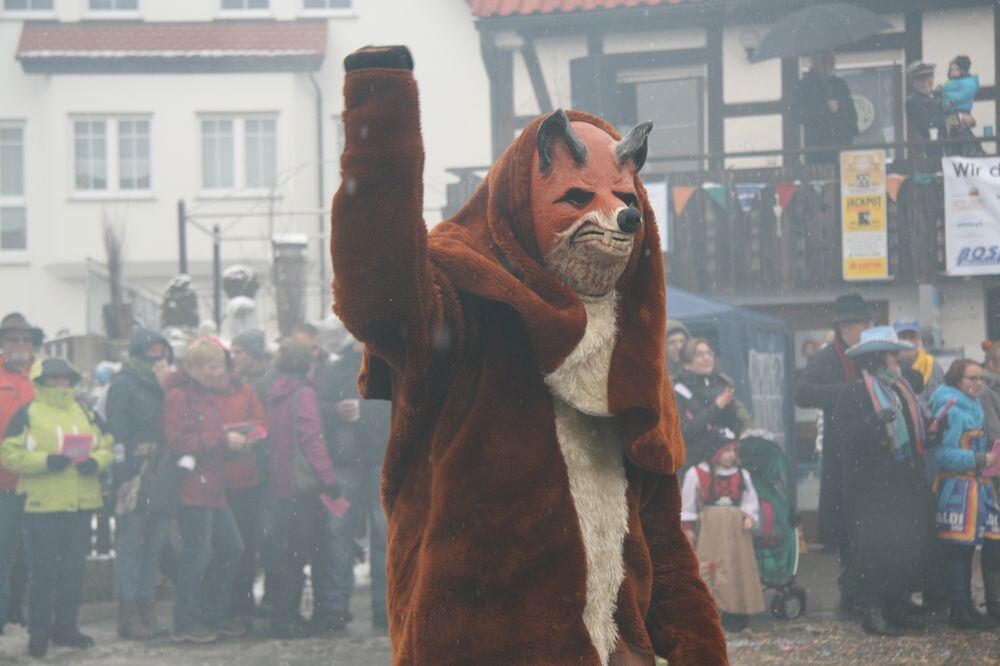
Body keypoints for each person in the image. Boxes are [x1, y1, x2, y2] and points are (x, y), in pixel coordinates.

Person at [330, 45, 726, 664]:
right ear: (523, 202)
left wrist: (699, 651)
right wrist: (381, 108)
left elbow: (662, 542)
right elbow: (375, 290)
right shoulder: (464, 307)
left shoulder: (630, 352)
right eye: (578, 196)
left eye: (624, 199)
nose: (615, 217)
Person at [1, 359, 113, 658]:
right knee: (43, 572)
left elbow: (107, 444)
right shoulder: (27, 413)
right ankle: (38, 632)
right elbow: (8, 454)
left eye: (65, 379)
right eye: (53, 379)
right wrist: (46, 461)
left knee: (73, 570)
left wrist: (96, 462)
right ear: (42, 381)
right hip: (42, 505)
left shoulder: (85, 411)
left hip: (80, 502)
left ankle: (66, 627)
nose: (60, 384)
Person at [827, 327, 935, 636]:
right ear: (875, 359)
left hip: (902, 483)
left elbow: (913, 429)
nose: (896, 358)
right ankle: (873, 611)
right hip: (871, 488)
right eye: (890, 354)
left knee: (902, 546)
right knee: (874, 550)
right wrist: (875, 422)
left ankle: (895, 604)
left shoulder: (902, 389)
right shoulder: (855, 391)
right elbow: (844, 435)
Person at [162, 337, 245, 644]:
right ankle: (187, 621)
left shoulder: (203, 393)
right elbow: (180, 441)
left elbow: (199, 436)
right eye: (212, 366)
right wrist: (224, 441)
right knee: (198, 555)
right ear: (194, 366)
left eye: (219, 366)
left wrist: (228, 443)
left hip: (212, 484)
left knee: (230, 549)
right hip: (193, 487)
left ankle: (210, 614)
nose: (218, 372)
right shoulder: (180, 396)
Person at [795, 294, 873, 613]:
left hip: (874, 453)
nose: (865, 328)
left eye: (868, 322)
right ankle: (852, 594)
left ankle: (877, 593)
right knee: (849, 528)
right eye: (858, 323)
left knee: (876, 526)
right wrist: (848, 393)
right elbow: (803, 393)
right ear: (842, 327)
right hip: (842, 455)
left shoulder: (873, 355)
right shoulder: (827, 358)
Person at [263, 340, 339, 638]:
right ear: (308, 364)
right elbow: (311, 439)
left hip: (281, 484)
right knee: (306, 551)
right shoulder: (304, 393)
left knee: (286, 553)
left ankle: (283, 615)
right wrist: (329, 479)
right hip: (304, 485)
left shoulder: (276, 393)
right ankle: (292, 619)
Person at [107, 329, 174, 640]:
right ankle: (129, 610)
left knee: (153, 544)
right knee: (132, 544)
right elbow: (116, 432)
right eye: (151, 350)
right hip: (134, 475)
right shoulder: (124, 384)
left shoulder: (168, 386)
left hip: (161, 473)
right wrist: (122, 475)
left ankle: (147, 606)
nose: (157, 356)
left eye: (162, 350)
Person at [323, 332, 391, 632]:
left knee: (382, 537)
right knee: (339, 536)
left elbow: (396, 406)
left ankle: (384, 607)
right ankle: (337, 607)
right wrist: (335, 411)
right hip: (346, 464)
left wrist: (363, 412)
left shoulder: (387, 365)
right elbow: (318, 407)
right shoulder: (336, 369)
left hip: (377, 460)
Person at [928, 359, 1000, 628]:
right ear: (957, 379)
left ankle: (966, 605)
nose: (978, 383)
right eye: (972, 378)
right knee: (957, 551)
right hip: (956, 486)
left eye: (981, 378)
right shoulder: (949, 408)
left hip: (975, 485)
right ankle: (959, 608)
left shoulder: (975, 404)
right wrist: (980, 458)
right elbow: (942, 454)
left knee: (967, 549)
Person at [680, 436, 764, 633]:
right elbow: (688, 504)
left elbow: (750, 500)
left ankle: (737, 612)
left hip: (737, 528)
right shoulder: (697, 473)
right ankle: (711, 612)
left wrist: (749, 516)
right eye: (727, 451)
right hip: (711, 527)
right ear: (715, 452)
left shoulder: (742, 474)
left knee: (738, 567)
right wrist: (688, 529)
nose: (731, 456)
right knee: (711, 565)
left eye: (734, 451)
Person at [219, 340, 267, 632]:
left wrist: (250, 435)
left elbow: (261, 421)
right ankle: (224, 606)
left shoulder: (245, 391)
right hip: (219, 480)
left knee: (246, 547)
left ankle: (242, 605)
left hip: (247, 478)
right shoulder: (206, 394)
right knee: (226, 548)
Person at [0, 313, 41, 634]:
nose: (20, 346)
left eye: (26, 340)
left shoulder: (43, 377)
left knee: (30, 556)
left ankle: (16, 612)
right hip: (3, 484)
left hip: (38, 483)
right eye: (13, 339)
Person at [673, 338, 750, 468]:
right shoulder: (677, 390)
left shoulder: (722, 385)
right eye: (699, 354)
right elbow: (683, 433)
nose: (706, 358)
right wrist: (716, 408)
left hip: (724, 463)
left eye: (709, 353)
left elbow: (735, 425)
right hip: (694, 464)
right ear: (686, 363)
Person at [790, 49, 859, 164]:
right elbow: (797, 116)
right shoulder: (804, 87)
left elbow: (851, 117)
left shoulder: (839, 85)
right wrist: (824, 109)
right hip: (814, 151)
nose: (831, 66)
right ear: (817, 62)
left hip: (840, 150)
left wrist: (839, 111)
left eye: (832, 63)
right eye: (828, 62)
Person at [905, 60, 947, 162]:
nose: (925, 83)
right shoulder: (913, 102)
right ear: (913, 82)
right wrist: (953, 118)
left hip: (947, 150)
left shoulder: (937, 97)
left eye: (928, 78)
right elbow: (926, 123)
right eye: (920, 79)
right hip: (929, 153)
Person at [894, 318, 944, 402]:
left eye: (912, 337)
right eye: (902, 337)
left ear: (920, 338)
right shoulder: (889, 366)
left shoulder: (932, 365)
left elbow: (943, 397)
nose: (907, 341)